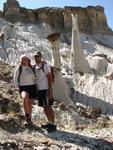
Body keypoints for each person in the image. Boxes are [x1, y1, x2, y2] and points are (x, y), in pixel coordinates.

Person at [34, 51, 56, 131]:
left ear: (41, 57)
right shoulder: (35, 67)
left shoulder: (45, 65)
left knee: (48, 106)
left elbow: (49, 77)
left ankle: (53, 124)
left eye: (38, 56)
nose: (37, 58)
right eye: (35, 57)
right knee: (45, 106)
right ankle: (49, 123)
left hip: (46, 89)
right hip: (40, 90)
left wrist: (50, 90)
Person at [14, 54, 37, 124]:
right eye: (22, 59)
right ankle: (26, 116)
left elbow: (35, 77)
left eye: (25, 59)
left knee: (30, 103)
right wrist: (17, 87)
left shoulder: (32, 67)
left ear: (28, 60)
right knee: (25, 97)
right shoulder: (19, 68)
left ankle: (29, 119)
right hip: (23, 87)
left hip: (32, 87)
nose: (24, 61)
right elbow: (15, 78)